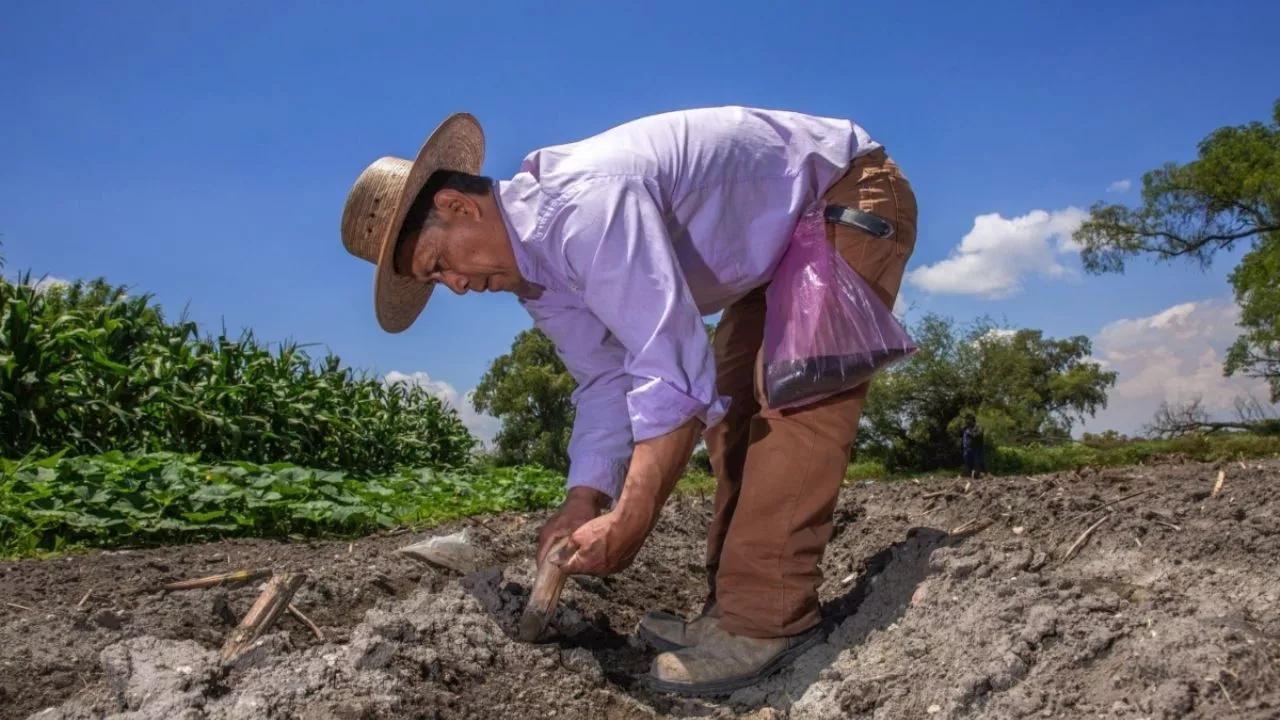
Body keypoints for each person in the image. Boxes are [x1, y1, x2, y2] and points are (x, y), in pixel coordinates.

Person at [340, 106, 918, 694]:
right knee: (733, 413)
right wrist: (583, 498)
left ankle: (767, 619)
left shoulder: (586, 208)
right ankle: (732, 609)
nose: (456, 286)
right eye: (437, 281)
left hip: (845, 196)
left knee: (794, 399)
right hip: (773, 253)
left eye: (439, 265)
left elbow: (666, 368)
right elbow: (606, 381)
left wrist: (634, 514)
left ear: (458, 206)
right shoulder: (542, 277)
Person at [962, 413, 986, 479]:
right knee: (969, 464)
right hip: (967, 450)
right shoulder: (966, 429)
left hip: (976, 450)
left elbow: (976, 435)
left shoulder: (978, 427)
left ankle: (978, 477)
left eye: (967, 419)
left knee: (977, 465)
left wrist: (969, 432)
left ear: (972, 420)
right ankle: (973, 476)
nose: (966, 421)